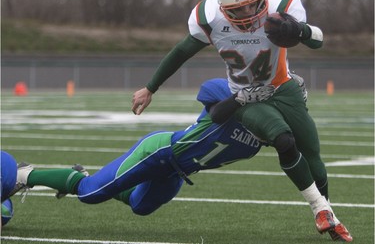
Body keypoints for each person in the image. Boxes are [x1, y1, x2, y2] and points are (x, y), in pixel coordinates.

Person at [131, 0, 352, 242]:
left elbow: (317, 41)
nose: (248, 15)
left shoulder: (281, 6)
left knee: (312, 153)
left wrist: (299, 30)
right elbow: (182, 51)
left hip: (283, 87)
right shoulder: (209, 18)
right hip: (246, 96)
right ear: (223, 9)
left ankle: (328, 214)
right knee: (283, 140)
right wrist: (151, 87)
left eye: (253, 6)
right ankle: (319, 208)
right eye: (239, 10)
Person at [12, 78, 335, 239]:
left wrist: (324, 207)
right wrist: (241, 97)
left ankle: (93, 178)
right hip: (160, 152)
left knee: (140, 206)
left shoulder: (271, 136)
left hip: (177, 173)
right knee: (91, 195)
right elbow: (210, 90)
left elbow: (305, 163)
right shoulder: (234, 96)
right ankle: (27, 174)